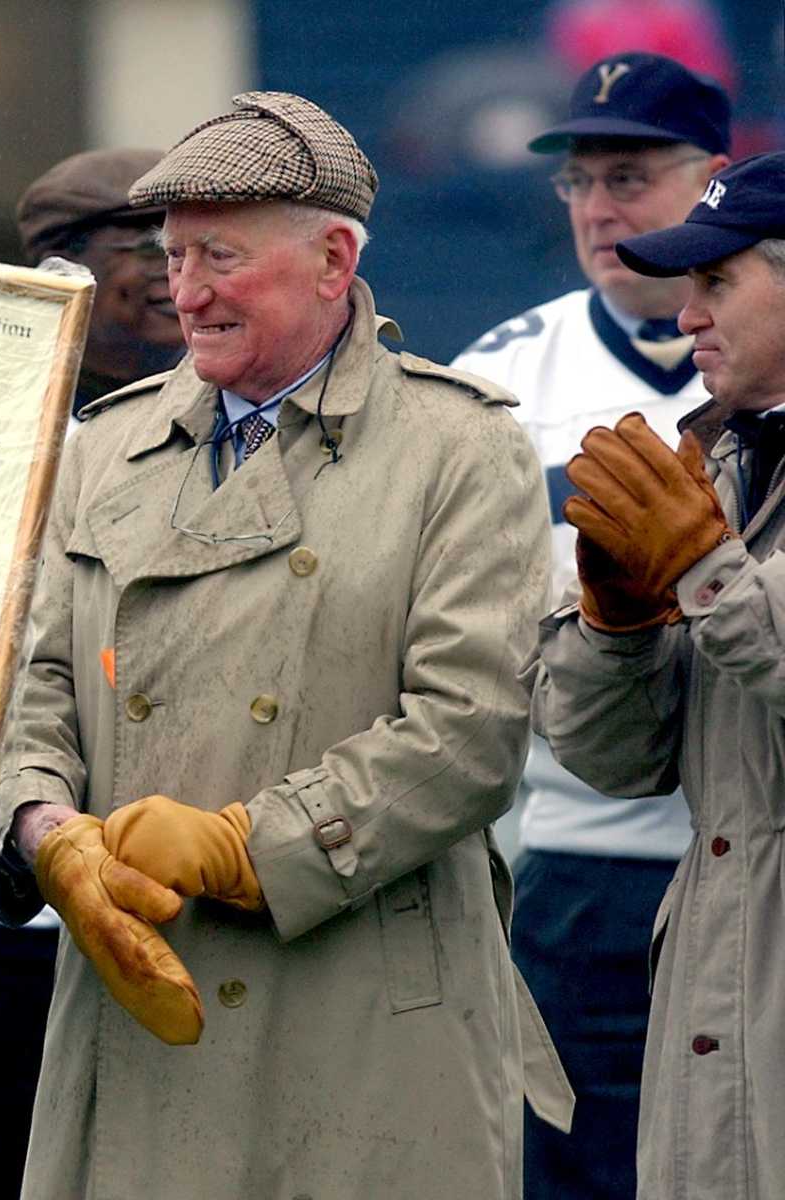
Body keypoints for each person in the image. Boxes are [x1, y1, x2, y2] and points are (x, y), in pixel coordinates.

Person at [0, 91, 572, 1197]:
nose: (181, 293)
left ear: (333, 260)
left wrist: (246, 848)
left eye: (217, 257)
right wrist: (42, 827)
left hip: (363, 1023)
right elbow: (35, 686)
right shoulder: (106, 449)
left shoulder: (458, 447)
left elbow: (468, 734)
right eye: (169, 255)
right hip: (139, 995)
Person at [448, 52, 730, 1200]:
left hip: (751, 846)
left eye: (630, 174)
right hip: (576, 858)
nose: (601, 207)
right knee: (576, 1170)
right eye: (578, 182)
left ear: (712, 178)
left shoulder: (759, 364)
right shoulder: (499, 381)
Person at [0, 144, 179, 1200]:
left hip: (187, 899)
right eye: (137, 244)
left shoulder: (228, 420)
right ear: (59, 268)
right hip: (6, 911)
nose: (170, 270)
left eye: (184, 243)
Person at [529, 149, 785, 1199]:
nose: (685, 318)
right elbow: (613, 758)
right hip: (714, 948)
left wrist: (701, 571)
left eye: (715, 282)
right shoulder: (722, 458)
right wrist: (615, 625)